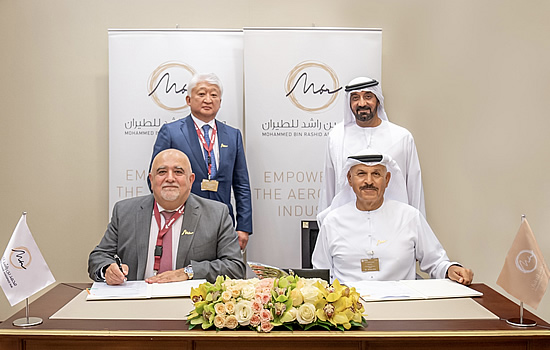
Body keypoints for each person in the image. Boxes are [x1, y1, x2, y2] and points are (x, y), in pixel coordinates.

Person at [312, 149, 473, 285]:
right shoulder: (332, 222)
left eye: (376, 174)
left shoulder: (410, 217)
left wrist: (451, 269)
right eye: (361, 174)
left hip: (401, 310)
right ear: (350, 179)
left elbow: (436, 262)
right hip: (348, 314)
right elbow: (320, 276)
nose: (369, 181)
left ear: (387, 179)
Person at [88, 149, 246, 285]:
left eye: (178, 172)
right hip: (136, 304)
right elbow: (99, 256)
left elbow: (235, 267)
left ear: (191, 180)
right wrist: (108, 269)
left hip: (190, 304)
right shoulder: (124, 212)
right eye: (162, 172)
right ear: (151, 180)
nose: (170, 178)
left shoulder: (217, 214)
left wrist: (188, 272)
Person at [150, 73, 252, 251]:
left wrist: (244, 226)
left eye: (214, 95)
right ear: (188, 99)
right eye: (202, 94)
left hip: (223, 220)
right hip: (182, 219)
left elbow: (241, 184)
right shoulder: (171, 132)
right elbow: (155, 180)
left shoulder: (233, 135)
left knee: (224, 273)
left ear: (220, 101)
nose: (208, 99)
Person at [319, 76, 425, 217]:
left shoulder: (402, 137)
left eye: (368, 96)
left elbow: (414, 188)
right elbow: (329, 187)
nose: (362, 103)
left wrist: (417, 226)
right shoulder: (337, 137)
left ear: (378, 100)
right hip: (347, 224)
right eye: (355, 98)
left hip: (393, 223)